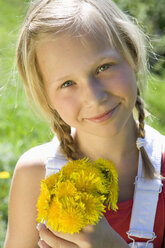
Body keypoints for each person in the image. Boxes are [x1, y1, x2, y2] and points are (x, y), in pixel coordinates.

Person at [4, 0, 165, 247]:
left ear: (131, 55)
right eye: (67, 83)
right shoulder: (34, 176)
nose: (94, 96)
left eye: (103, 67)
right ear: (47, 97)